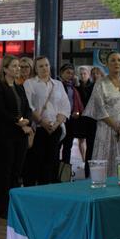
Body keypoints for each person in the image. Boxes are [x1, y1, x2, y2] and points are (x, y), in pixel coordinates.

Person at [0, 55, 33, 218]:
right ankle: (3, 207)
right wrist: (19, 121)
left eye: (19, 66)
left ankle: (14, 205)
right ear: (6, 69)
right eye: (14, 66)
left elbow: (27, 107)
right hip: (4, 135)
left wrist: (27, 119)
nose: (18, 69)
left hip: (20, 135)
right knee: (4, 171)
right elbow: (0, 110)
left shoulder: (19, 87)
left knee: (16, 171)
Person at [83, 51, 120, 176]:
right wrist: (118, 128)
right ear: (107, 64)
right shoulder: (100, 83)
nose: (116, 63)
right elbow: (100, 109)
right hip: (107, 129)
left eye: (119, 60)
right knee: (105, 163)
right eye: (113, 60)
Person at [23, 56, 70, 185]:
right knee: (36, 163)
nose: (45, 68)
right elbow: (28, 105)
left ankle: (49, 191)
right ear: (36, 69)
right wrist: (42, 122)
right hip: (38, 129)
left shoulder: (58, 84)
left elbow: (65, 106)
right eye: (41, 66)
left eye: (46, 65)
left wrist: (56, 124)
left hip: (55, 128)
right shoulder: (30, 83)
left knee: (52, 162)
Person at [58, 63, 85, 165]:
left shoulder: (73, 87)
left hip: (71, 120)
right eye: (67, 73)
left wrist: (75, 112)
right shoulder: (58, 85)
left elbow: (76, 102)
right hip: (60, 119)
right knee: (58, 145)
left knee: (68, 146)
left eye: (72, 73)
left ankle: (66, 170)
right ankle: (55, 170)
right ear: (61, 73)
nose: (70, 75)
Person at [76, 65, 96, 174]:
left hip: (91, 118)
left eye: (85, 73)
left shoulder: (93, 86)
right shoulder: (77, 86)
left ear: (88, 74)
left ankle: (89, 168)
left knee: (91, 144)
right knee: (81, 140)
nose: (83, 75)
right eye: (81, 74)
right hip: (80, 117)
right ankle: (84, 161)